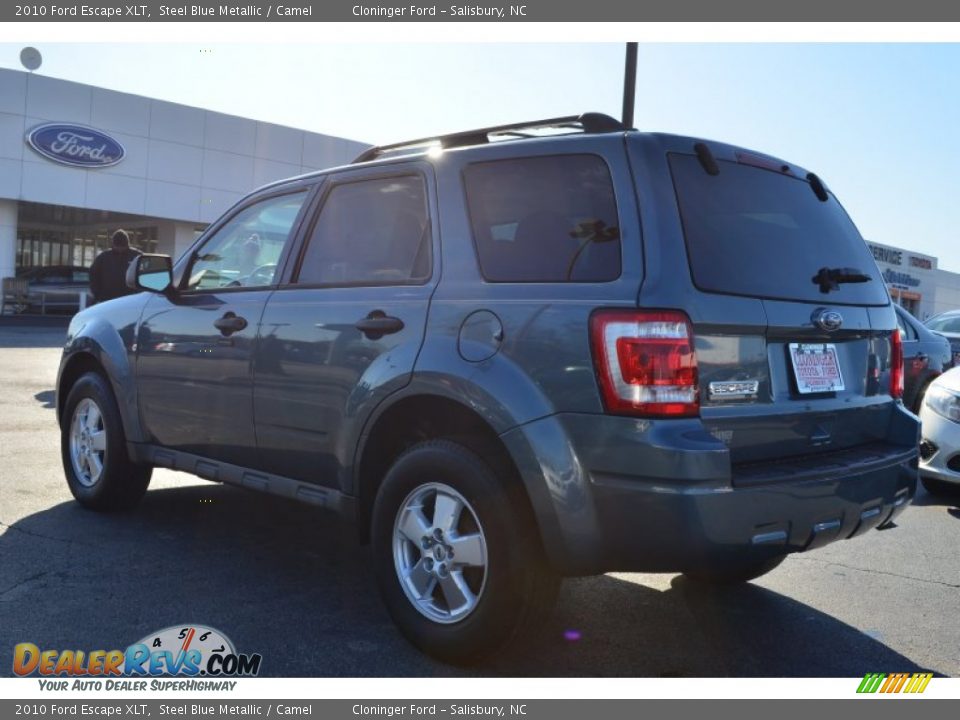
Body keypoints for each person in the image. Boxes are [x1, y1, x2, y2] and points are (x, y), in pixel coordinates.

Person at [89, 229, 142, 303]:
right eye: (117, 246)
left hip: (130, 299)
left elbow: (144, 274)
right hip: (107, 299)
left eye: (122, 246)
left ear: (127, 245)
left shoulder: (136, 256)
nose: (120, 249)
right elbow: (93, 275)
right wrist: (97, 294)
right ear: (113, 245)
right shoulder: (103, 257)